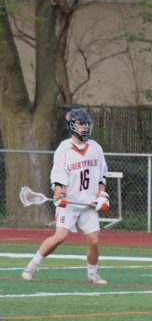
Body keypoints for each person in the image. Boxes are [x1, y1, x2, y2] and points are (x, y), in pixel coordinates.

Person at [22, 108, 111, 284]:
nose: (85, 127)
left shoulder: (96, 148)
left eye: (87, 124)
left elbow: (102, 176)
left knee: (94, 240)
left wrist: (102, 195)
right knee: (60, 237)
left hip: (88, 204)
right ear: (72, 125)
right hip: (68, 204)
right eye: (81, 124)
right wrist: (59, 193)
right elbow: (57, 179)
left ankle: (93, 274)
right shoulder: (64, 149)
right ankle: (32, 265)